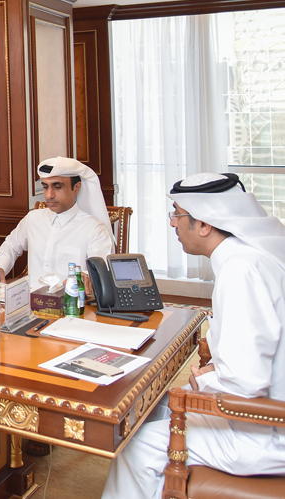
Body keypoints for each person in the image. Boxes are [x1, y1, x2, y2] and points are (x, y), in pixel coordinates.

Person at [102, 173, 285, 498]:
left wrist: (204, 379)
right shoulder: (247, 258)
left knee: (137, 447)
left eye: (177, 214)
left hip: (264, 431)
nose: (173, 224)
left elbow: (246, 384)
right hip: (259, 412)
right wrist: (215, 370)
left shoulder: (242, 271)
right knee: (150, 411)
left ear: (203, 224)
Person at [0, 156, 114, 282]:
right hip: (30, 299)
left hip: (69, 300)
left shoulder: (94, 229)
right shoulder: (33, 218)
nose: (50, 195)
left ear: (76, 188)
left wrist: (81, 279)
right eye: (45, 187)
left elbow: (99, 272)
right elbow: (11, 246)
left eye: (57, 187)